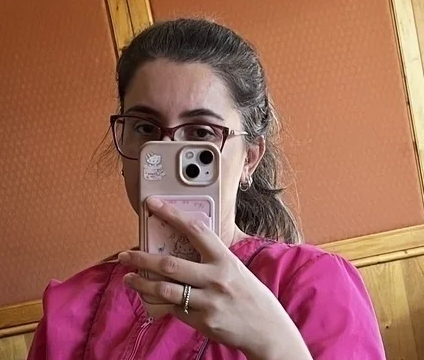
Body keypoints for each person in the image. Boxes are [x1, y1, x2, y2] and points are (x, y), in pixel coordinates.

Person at [27, 19, 385, 359]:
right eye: (145, 128)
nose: (168, 152)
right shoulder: (70, 308)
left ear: (249, 158)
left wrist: (274, 343)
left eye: (201, 133)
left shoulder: (312, 285)